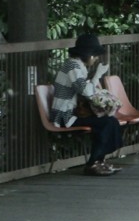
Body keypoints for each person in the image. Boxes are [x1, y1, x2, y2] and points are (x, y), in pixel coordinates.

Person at [50, 33, 123, 176]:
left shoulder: (77, 66)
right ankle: (93, 164)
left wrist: (95, 78)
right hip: (65, 115)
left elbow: (86, 90)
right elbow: (87, 92)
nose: (95, 59)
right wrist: (97, 76)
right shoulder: (72, 67)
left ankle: (98, 162)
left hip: (73, 112)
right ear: (88, 54)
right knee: (107, 123)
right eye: (94, 55)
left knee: (110, 122)